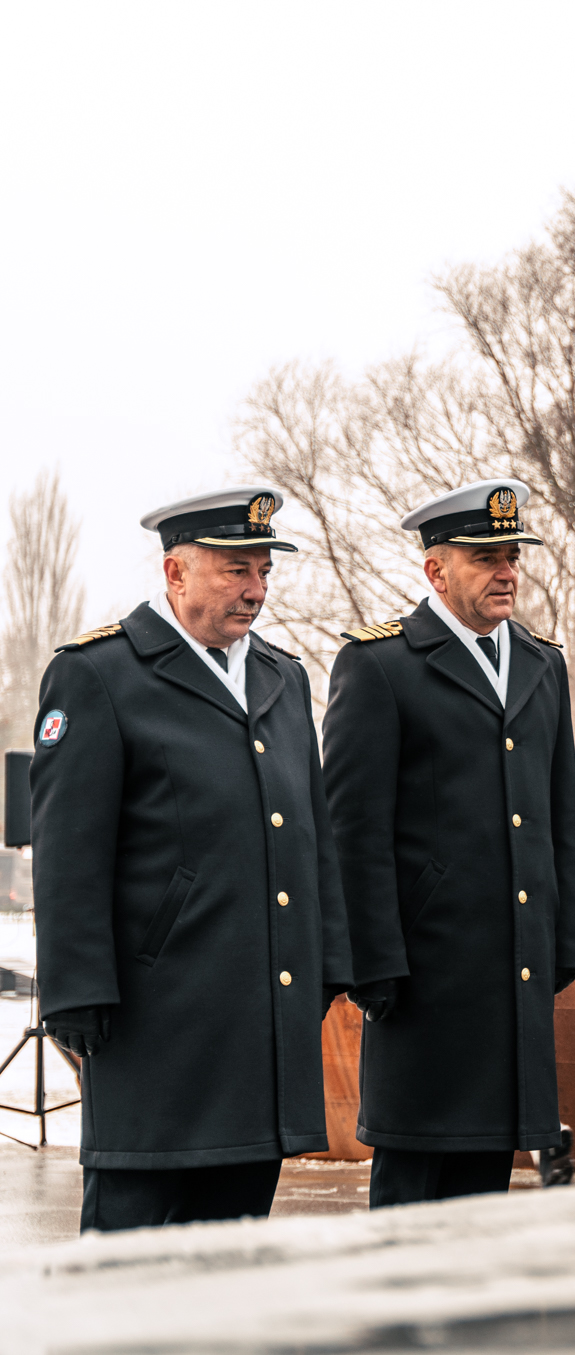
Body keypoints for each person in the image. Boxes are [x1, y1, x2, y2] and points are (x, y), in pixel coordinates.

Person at [30, 487, 351, 1231]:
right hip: (155, 1023)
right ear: (175, 572)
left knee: (233, 1252)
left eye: (263, 570)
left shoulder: (282, 676)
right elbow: (69, 851)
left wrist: (332, 960)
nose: (256, 589)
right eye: (236, 570)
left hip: (261, 1022)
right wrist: (74, 990)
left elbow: (313, 831)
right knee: (129, 1254)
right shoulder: (102, 674)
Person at [322, 478, 575, 1209]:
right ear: (435, 570)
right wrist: (371, 963)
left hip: (514, 968)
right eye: (486, 558)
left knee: (487, 1182)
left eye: (512, 556)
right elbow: (353, 827)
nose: (507, 572)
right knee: (415, 1175)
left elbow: (558, 813)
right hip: (423, 974)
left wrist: (563, 940)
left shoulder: (541, 663)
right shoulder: (382, 665)